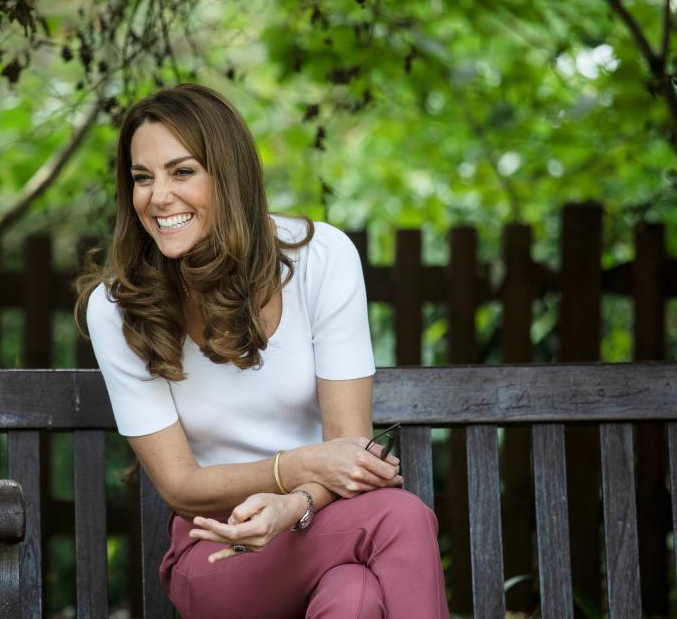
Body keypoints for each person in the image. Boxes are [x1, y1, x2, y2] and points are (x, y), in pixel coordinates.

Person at [75, 83, 449, 618]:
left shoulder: (321, 258)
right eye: (142, 177)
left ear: (228, 176)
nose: (158, 197)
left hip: (322, 523)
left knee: (354, 598)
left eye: (182, 172)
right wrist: (297, 466)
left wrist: (294, 505)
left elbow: (348, 448)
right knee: (401, 518)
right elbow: (180, 484)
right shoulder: (118, 307)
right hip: (219, 550)